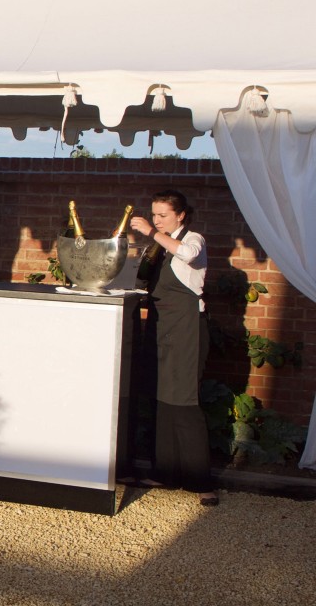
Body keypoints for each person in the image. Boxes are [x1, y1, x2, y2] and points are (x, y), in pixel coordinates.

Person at [129, 190, 219, 507]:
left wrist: (152, 233)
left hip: (187, 330)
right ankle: (165, 472)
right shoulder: (158, 246)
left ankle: (201, 482)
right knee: (160, 398)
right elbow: (141, 279)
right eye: (154, 215)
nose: (157, 221)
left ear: (180, 215)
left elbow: (189, 255)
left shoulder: (194, 239)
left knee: (184, 402)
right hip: (159, 326)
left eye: (163, 215)